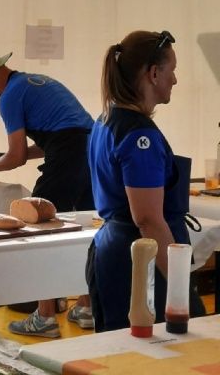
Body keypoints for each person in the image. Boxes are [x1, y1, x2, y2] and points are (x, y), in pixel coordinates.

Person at [0, 52, 95, 337]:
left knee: (38, 227)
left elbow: (16, 157)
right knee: (84, 230)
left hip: (71, 151)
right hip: (92, 148)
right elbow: (56, 140)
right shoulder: (35, 81)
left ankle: (45, 317)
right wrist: (3, 158)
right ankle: (87, 307)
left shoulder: (10, 95)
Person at [86, 30, 205, 333]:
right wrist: (181, 291)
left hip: (114, 251)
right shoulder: (141, 136)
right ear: (154, 74)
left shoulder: (105, 120)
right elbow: (149, 220)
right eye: (172, 71)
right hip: (141, 263)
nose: (175, 80)